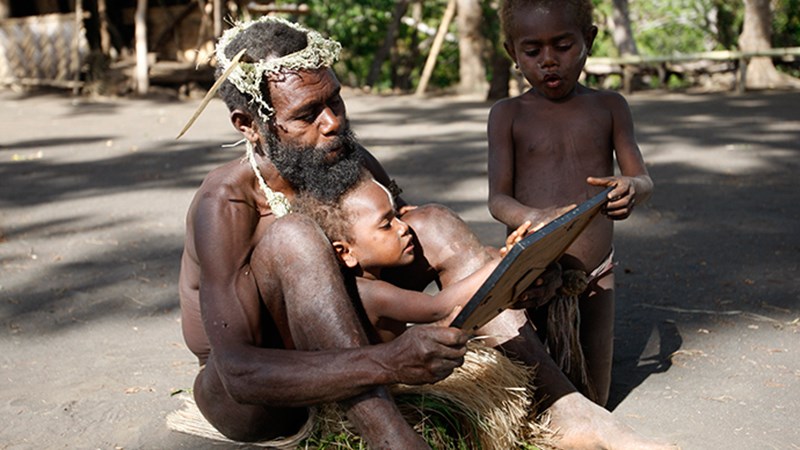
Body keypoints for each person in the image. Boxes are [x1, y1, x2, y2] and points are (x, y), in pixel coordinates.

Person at [178, 14, 671, 450]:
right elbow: (240, 374)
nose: (332, 124)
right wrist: (388, 363)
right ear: (249, 124)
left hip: (346, 351)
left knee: (428, 220)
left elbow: (404, 248)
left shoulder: (344, 156)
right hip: (264, 397)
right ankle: (393, 440)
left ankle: (566, 409)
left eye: (336, 102)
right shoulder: (227, 202)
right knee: (293, 238)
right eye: (306, 115)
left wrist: (512, 275)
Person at [489, 0, 654, 415]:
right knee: (532, 396)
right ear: (512, 52)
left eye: (563, 45)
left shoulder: (610, 107)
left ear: (589, 40)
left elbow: (643, 177)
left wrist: (631, 187)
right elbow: (498, 200)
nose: (549, 61)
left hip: (596, 275)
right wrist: (532, 218)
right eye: (532, 51)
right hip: (533, 271)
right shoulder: (507, 115)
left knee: (596, 398)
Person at [294, 170, 532, 342]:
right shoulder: (370, 292)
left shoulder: (371, 282)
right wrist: (504, 262)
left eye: (397, 215)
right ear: (345, 252)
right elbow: (437, 307)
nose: (403, 227)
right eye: (386, 224)